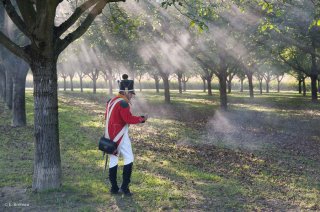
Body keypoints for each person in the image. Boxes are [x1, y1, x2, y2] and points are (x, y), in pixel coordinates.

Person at [104, 74, 147, 196]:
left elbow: (106, 117)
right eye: (131, 93)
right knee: (129, 158)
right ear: (126, 92)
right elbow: (128, 119)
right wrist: (142, 119)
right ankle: (125, 188)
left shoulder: (111, 101)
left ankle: (114, 188)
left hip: (109, 135)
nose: (132, 96)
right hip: (120, 135)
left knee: (113, 159)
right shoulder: (123, 103)